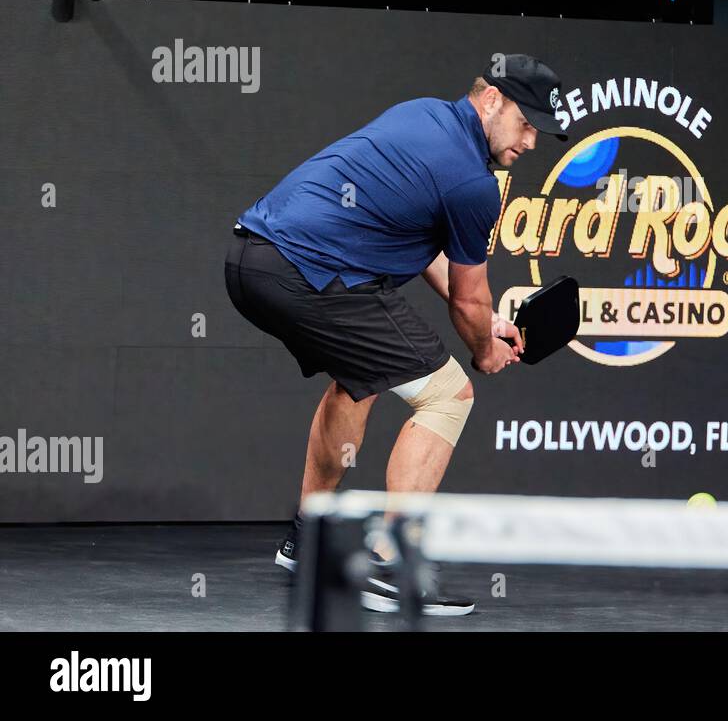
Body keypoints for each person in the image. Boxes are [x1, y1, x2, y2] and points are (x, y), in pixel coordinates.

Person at [223, 54, 567, 613]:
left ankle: (309, 538)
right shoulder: (475, 184)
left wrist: (491, 327)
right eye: (526, 124)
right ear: (491, 100)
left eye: (540, 131)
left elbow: (436, 254)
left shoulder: (424, 115)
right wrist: (484, 350)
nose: (531, 142)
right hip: (309, 270)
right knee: (448, 395)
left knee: (360, 379)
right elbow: (469, 298)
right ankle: (383, 563)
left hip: (249, 258)